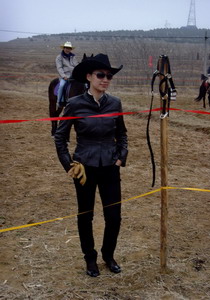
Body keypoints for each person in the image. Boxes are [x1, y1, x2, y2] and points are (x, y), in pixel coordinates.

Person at [54, 53, 128, 277]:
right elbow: (60, 137)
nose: (105, 79)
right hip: (84, 169)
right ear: (89, 77)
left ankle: (108, 255)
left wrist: (121, 157)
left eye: (109, 76)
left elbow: (122, 134)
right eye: (100, 75)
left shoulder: (115, 103)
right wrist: (69, 164)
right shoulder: (74, 105)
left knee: (114, 216)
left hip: (109, 167)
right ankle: (90, 259)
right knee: (85, 216)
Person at [55, 41, 78, 107]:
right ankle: (59, 101)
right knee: (62, 85)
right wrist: (64, 76)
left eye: (69, 48)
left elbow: (76, 65)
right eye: (66, 48)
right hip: (65, 76)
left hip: (74, 75)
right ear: (64, 48)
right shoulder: (59, 57)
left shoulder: (73, 57)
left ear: (71, 49)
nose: (67, 49)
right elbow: (59, 68)